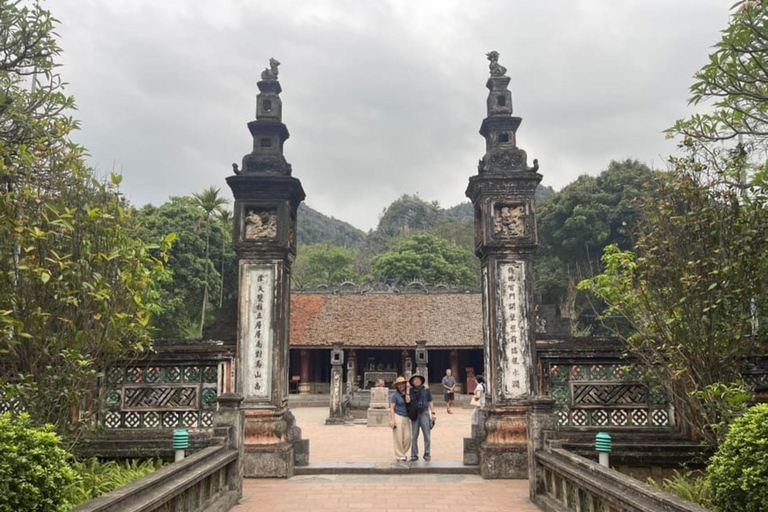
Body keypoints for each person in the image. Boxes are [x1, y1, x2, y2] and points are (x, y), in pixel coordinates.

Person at [407, 374, 436, 461]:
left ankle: (427, 454)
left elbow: (430, 401)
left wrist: (433, 413)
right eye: (414, 380)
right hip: (415, 414)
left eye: (418, 380)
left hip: (424, 412)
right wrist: (408, 389)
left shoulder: (426, 390)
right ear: (412, 382)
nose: (416, 381)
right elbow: (407, 400)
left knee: (427, 435)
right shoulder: (411, 391)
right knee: (414, 435)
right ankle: (414, 454)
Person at [389, 376, 411, 462]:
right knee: (398, 437)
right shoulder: (395, 395)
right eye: (399, 384)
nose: (401, 385)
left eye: (403, 383)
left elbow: (408, 401)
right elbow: (392, 408)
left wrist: (408, 390)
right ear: (397, 386)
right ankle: (400, 456)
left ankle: (402, 453)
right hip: (398, 416)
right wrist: (392, 419)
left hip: (406, 417)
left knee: (408, 438)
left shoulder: (408, 393)